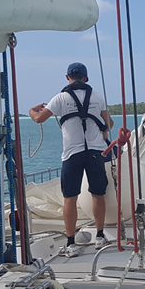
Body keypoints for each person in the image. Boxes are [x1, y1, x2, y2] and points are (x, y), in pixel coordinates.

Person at [30, 62, 114, 257]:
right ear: (85, 78)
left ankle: (70, 243)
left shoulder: (61, 98)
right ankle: (100, 236)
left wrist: (32, 109)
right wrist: (100, 131)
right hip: (95, 152)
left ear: (67, 78)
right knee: (98, 193)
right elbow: (108, 123)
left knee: (70, 197)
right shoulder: (96, 96)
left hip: (72, 154)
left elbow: (39, 119)